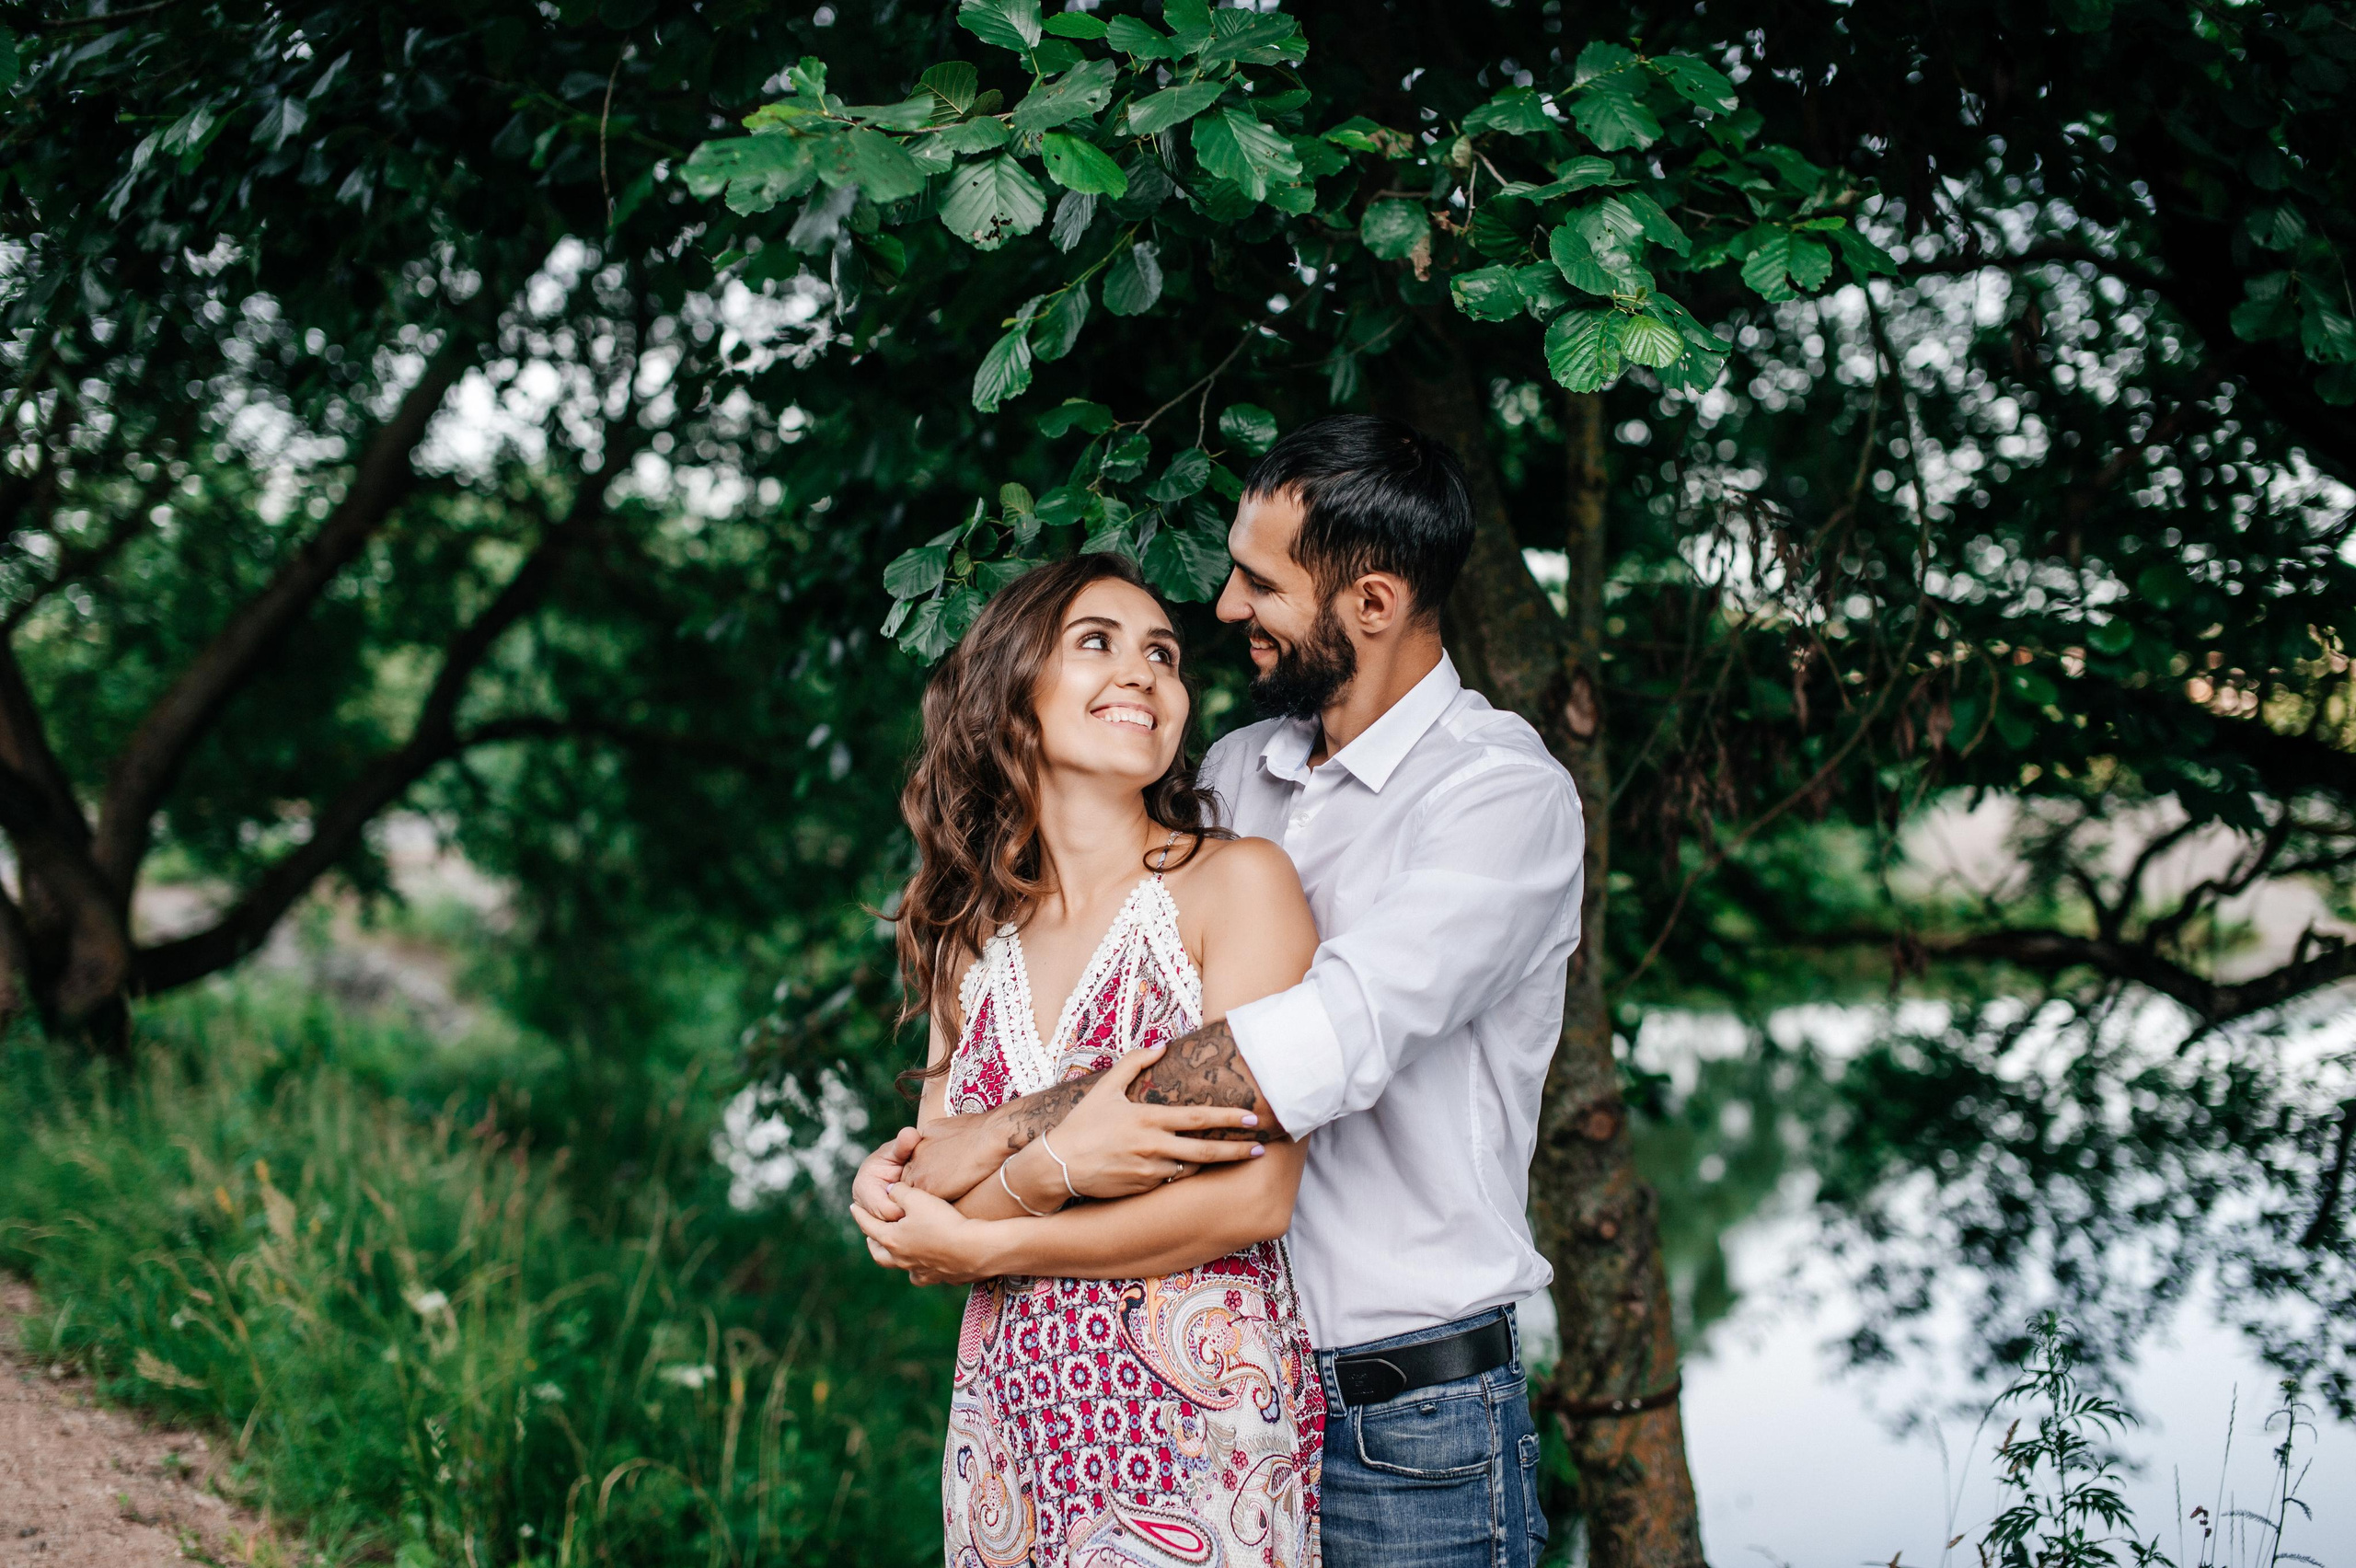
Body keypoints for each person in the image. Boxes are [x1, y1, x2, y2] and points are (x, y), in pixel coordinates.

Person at [856, 415, 1585, 1568]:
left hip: (1407, 1408)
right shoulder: (1243, 774)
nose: (1224, 611)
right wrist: (925, 1168)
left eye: (1258, 583)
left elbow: (1295, 1052)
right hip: (1164, 1378)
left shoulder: (1497, 799)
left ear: (1373, 605)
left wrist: (1009, 1158)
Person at [850, 552, 1327, 1568]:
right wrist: (1049, 1172)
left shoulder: (1238, 886)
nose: (1145, 673)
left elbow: (1252, 1203)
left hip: (1193, 1441)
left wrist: (989, 1239)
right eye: (1096, 643)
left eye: (1162, 652)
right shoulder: (965, 937)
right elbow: (924, 1204)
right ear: (1012, 693)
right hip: (1009, 1437)